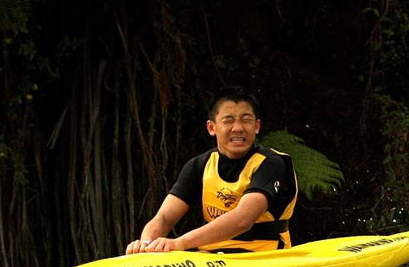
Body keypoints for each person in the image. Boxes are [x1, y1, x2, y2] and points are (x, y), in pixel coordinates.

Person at [126, 87, 298, 255]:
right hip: (211, 258)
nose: (238, 128)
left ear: (256, 126)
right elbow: (163, 218)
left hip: (262, 255)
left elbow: (243, 220)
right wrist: (146, 245)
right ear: (211, 127)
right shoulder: (199, 165)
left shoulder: (271, 163)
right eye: (228, 120)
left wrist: (180, 243)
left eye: (246, 120)